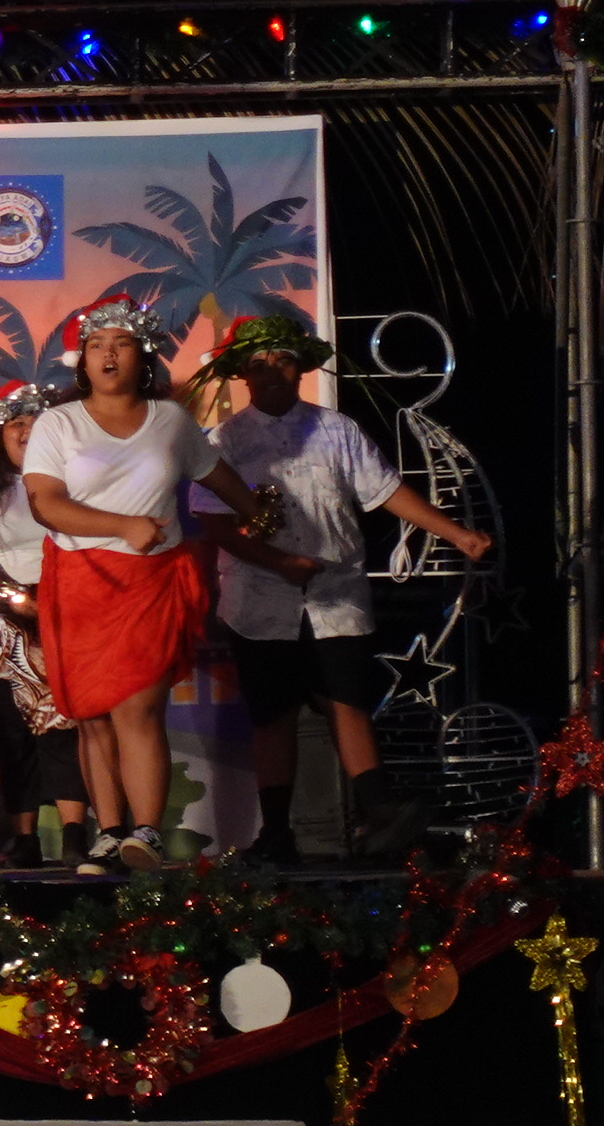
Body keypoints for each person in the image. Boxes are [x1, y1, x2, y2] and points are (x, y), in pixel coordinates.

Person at [187, 314, 493, 864]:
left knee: (345, 700)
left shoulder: (337, 430)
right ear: (243, 376)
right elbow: (214, 524)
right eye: (258, 364)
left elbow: (385, 490)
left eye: (283, 360)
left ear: (301, 368)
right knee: (273, 714)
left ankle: (379, 813)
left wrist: (457, 534)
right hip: (259, 599)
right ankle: (276, 835)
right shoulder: (224, 441)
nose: (272, 371)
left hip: (336, 593)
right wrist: (279, 562)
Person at [22, 296, 268, 875]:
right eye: (97, 344)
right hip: (80, 578)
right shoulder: (58, 423)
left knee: (137, 705)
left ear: (144, 356)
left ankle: (147, 832)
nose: (108, 354)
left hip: (151, 579)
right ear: (83, 360)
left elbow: (221, 479)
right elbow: (45, 504)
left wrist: (263, 516)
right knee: (93, 714)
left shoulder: (171, 421)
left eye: (122, 343)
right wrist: (121, 525)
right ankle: (110, 834)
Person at [0, 380, 90, 869]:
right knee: (11, 735)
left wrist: (54, 602)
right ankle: (24, 838)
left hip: (69, 614)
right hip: (3, 626)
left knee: (67, 728)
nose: (28, 431)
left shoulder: (75, 483)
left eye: (37, 422)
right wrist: (12, 598)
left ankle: (75, 834)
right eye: (17, 424)